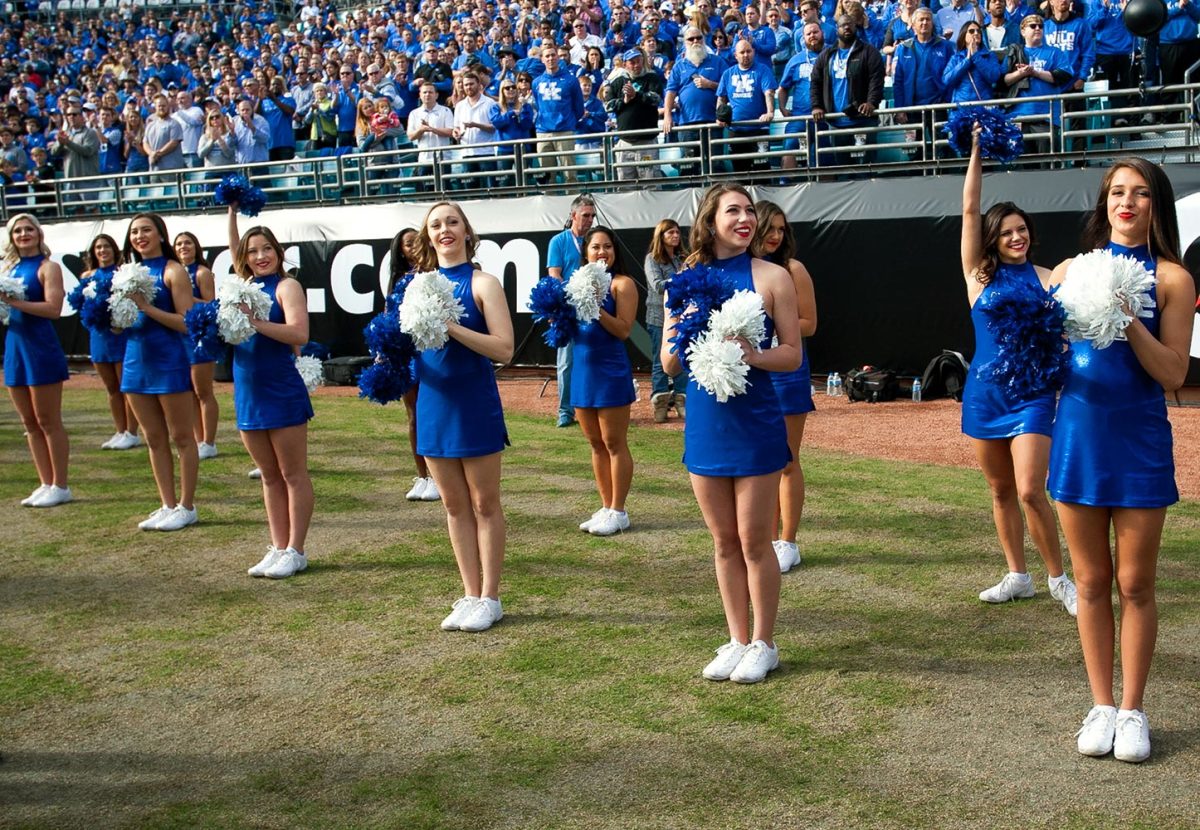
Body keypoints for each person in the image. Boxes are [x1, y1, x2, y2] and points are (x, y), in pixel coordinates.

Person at [1049, 159, 1195, 763]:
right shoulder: (1065, 271)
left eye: (1139, 194)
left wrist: (1127, 315)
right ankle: (1101, 704)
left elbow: (1173, 373)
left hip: (1138, 440)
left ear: (1156, 204)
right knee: (1089, 582)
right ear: (1103, 201)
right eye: (1116, 193)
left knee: (1135, 583)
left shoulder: (1173, 280)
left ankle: (1133, 710)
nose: (1126, 203)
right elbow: (1051, 358)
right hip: (1077, 438)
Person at [661, 184, 800, 683]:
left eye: (748, 211)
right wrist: (692, 324)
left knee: (755, 542)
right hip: (705, 424)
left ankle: (764, 642)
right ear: (711, 220)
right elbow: (669, 363)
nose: (744, 219)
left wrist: (752, 355)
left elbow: (792, 354)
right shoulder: (685, 278)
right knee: (723, 542)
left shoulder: (773, 275)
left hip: (756, 422)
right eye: (733, 211)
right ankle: (737, 639)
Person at [959, 127, 1076, 614]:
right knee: (1001, 489)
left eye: (1021, 228)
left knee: (1030, 489)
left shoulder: (1051, 277)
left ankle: (1059, 578)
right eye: (1006, 231)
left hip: (1032, 395)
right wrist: (977, 152)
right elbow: (968, 209)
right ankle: (1016, 574)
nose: (1016, 236)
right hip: (985, 394)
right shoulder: (977, 274)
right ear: (992, 238)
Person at [411, 202, 515, 633]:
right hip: (432, 403)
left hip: (472, 402)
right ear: (428, 236)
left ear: (467, 232)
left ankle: (490, 596)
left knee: (484, 503)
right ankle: (470, 593)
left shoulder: (483, 282)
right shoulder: (415, 285)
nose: (444, 229)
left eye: (452, 222)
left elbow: (504, 350)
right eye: (436, 225)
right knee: (454, 506)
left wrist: (451, 325)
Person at [226, 205, 315, 580]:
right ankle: (278, 546)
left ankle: (297, 549)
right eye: (252, 251)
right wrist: (231, 213)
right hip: (247, 389)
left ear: (278, 253)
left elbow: (299, 334)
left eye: (266, 249)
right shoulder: (239, 288)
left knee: (292, 473)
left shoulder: (286, 286)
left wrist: (257, 323)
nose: (260, 257)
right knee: (268, 475)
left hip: (280, 388)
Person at [120, 213, 199, 533]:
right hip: (135, 362)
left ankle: (187, 505)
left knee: (181, 436)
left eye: (146, 230)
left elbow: (187, 322)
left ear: (160, 235)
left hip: (169, 361)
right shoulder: (125, 273)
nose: (140, 236)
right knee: (153, 438)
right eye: (134, 232)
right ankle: (167, 504)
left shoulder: (173, 270)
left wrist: (147, 308)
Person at [752, 201, 817, 574]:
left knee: (788, 460)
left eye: (781, 228)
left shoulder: (793, 269)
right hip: (751, 372)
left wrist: (775, 328)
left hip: (787, 370)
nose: (776, 235)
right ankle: (764, 536)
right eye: (769, 228)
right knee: (760, 461)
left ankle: (787, 541)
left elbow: (809, 323)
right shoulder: (742, 268)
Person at [2, 214, 72, 508]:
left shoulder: (49, 267)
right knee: (29, 422)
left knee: (48, 421)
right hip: (14, 348)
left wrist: (11, 301)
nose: (23, 234)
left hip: (40, 348)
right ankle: (45, 482)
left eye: (29, 228)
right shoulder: (10, 267)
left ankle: (61, 485)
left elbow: (53, 308)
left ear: (39, 233)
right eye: (17, 230)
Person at [572, 226, 637, 537]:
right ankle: (606, 505)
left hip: (609, 370)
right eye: (595, 247)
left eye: (607, 247)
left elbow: (624, 330)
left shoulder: (622, 284)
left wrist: (594, 307)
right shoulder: (576, 283)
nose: (601, 252)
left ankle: (619, 510)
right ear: (585, 252)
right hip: (582, 371)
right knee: (595, 444)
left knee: (614, 443)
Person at [386, 228, 440, 503]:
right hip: (406, 354)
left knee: (430, 413)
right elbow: (389, 318)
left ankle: (438, 476)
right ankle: (423, 476)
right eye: (409, 244)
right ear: (401, 251)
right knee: (413, 416)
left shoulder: (435, 273)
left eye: (418, 241)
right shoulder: (398, 281)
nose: (415, 246)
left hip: (430, 352)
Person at [81, 233, 140, 451]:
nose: (102, 251)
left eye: (106, 246)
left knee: (126, 386)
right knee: (111, 388)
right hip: (98, 337)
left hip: (120, 335)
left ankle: (132, 432)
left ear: (114, 250)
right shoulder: (87, 275)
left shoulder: (122, 274)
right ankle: (119, 429)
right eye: (98, 247)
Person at [547, 194, 597, 428]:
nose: (589, 220)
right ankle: (565, 411)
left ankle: (588, 406)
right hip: (567, 308)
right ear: (573, 215)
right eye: (585, 215)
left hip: (593, 308)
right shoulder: (558, 241)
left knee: (591, 356)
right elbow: (554, 275)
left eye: (592, 216)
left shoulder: (595, 242)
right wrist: (559, 306)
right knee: (566, 361)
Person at [810, 14, 885, 168]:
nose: (847, 27)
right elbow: (815, 82)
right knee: (844, 169)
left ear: (855, 27)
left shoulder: (869, 52)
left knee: (868, 169)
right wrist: (817, 106)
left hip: (863, 120)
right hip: (837, 122)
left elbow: (876, 80)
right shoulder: (827, 55)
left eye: (850, 24)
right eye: (843, 25)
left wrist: (871, 102)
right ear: (836, 29)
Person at [174, 231, 219, 460]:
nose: (183, 247)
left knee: (203, 392)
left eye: (188, 243)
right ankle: (198, 438)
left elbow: (211, 305)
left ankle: (209, 441)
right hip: (179, 336)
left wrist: (185, 298)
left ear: (196, 246)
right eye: (179, 244)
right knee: (188, 392)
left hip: (200, 336)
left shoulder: (202, 272)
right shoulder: (173, 272)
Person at [643, 218, 689, 423]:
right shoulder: (652, 259)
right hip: (658, 317)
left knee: (681, 357)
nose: (675, 235)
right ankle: (660, 404)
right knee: (659, 361)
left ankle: (681, 401)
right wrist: (682, 277)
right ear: (660, 236)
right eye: (670, 232)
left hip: (681, 316)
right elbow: (658, 286)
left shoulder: (681, 259)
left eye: (677, 232)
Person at [662, 25, 723, 175]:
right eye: (691, 39)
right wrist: (667, 116)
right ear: (685, 43)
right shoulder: (679, 66)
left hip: (713, 122)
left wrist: (710, 84)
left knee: (714, 165)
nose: (695, 41)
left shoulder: (717, 61)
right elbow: (670, 92)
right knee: (688, 167)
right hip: (687, 124)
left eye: (698, 38)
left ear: (704, 40)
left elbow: (727, 87)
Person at [715, 38, 776, 174]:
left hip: (759, 128)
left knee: (762, 169)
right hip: (736, 130)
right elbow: (721, 98)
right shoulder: (728, 74)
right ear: (735, 55)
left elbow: (769, 92)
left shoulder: (763, 70)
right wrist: (719, 116)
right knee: (740, 171)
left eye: (748, 51)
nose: (746, 55)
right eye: (742, 52)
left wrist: (770, 112)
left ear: (753, 52)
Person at [607, 48, 664, 181]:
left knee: (650, 182)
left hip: (647, 141)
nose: (636, 65)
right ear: (625, 64)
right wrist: (624, 100)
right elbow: (608, 106)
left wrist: (636, 95)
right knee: (625, 184)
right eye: (632, 62)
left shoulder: (652, 78)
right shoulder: (618, 81)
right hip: (625, 142)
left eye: (638, 61)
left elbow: (656, 99)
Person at [532, 45, 585, 184]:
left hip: (565, 130)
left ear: (558, 57)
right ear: (542, 59)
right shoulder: (536, 82)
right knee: (547, 176)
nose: (550, 58)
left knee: (570, 174)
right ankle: (549, 202)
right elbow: (538, 105)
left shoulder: (571, 80)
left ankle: (572, 201)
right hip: (543, 132)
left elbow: (579, 107)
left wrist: (568, 121)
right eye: (547, 56)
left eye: (553, 55)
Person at [942, 20, 1005, 104]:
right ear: (964, 35)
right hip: (961, 108)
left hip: (984, 107)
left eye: (978, 31)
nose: (976, 33)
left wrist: (976, 56)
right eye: (971, 31)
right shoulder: (956, 58)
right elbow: (946, 80)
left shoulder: (990, 55)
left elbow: (994, 77)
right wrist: (967, 61)